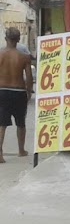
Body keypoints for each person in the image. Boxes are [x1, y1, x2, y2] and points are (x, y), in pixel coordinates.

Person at [0, 27, 33, 161]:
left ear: (5, 39)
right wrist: (29, 92)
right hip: (18, 91)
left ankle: (0, 153)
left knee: (2, 123)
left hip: (1, 90)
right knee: (21, 122)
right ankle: (21, 150)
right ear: (18, 40)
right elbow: (29, 77)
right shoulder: (24, 57)